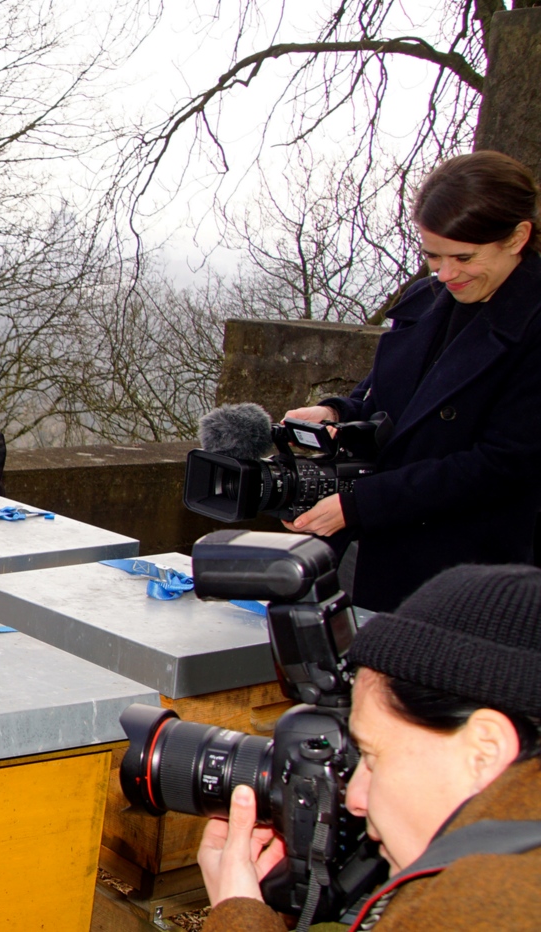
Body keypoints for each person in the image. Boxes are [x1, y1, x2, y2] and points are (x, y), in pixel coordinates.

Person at [198, 562, 541, 931]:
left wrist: (237, 915)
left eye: (373, 758)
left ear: (485, 751)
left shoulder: (477, 905)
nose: (355, 798)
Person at [281, 151, 541, 612]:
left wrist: (362, 504)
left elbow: (503, 465)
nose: (446, 274)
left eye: (464, 256)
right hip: (375, 553)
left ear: (518, 237)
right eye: (432, 255)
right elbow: (391, 397)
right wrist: (339, 412)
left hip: (472, 577)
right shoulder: (427, 299)